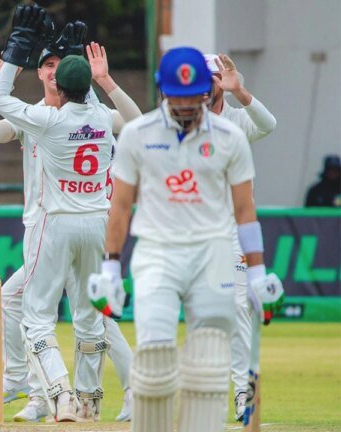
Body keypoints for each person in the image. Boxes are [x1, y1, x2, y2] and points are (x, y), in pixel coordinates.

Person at [88, 47, 284, 432]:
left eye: (192, 93)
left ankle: (229, 403)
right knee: (156, 357)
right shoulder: (138, 135)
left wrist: (258, 273)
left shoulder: (230, 135)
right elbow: (121, 206)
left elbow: (245, 211)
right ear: (162, 91)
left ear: (206, 93)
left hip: (214, 251)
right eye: (175, 95)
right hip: (158, 252)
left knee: (209, 361)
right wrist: (111, 266)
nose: (184, 103)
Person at [0, 34, 140, 423]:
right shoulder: (100, 116)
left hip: (55, 224)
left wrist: (8, 67)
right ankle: (85, 400)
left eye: (56, 67)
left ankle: (60, 395)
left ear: (60, 85)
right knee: (89, 315)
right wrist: (106, 80)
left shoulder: (45, 119)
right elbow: (137, 121)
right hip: (96, 222)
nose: (50, 72)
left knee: (40, 318)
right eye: (44, 64)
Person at [204, 53, 278, 421]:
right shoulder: (185, 120)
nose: (208, 86)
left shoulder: (236, 119)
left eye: (214, 79)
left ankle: (243, 395)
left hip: (235, 229)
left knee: (237, 309)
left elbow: (269, 124)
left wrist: (240, 91)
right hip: (197, 231)